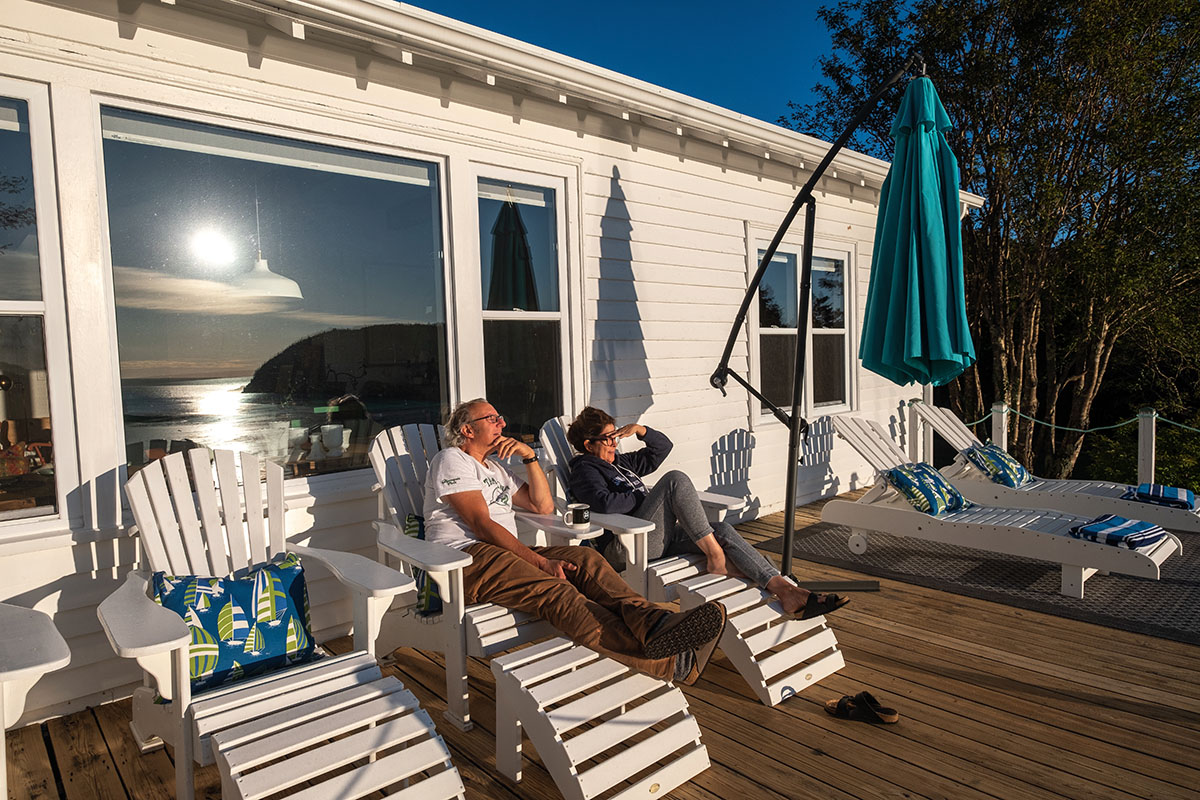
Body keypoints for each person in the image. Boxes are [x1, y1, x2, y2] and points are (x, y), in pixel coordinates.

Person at [423, 398, 727, 685]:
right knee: (558, 591)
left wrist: (529, 457)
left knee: (588, 561)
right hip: (464, 560)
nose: (502, 424)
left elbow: (540, 506)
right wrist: (541, 562)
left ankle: (654, 624)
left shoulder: (496, 468)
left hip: (503, 555)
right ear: (467, 430)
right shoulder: (452, 459)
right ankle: (673, 664)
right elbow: (480, 523)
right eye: (492, 418)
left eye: (501, 417)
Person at [566, 406, 848, 619]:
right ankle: (717, 558)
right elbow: (603, 504)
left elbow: (662, 448)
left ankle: (786, 591)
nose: (615, 443)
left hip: (654, 538)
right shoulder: (585, 469)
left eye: (616, 437)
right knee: (674, 479)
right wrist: (645, 497)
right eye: (608, 439)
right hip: (626, 546)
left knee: (722, 530)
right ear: (589, 444)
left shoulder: (622, 463)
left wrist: (640, 430)